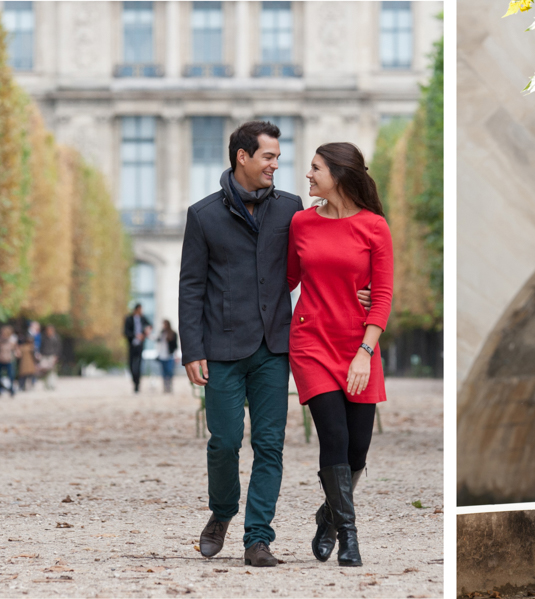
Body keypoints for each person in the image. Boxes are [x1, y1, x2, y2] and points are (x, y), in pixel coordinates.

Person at [179, 121, 372, 568]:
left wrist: (358, 292)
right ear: (242, 157)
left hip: (275, 346)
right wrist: (192, 349)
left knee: (270, 445)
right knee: (224, 442)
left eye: (278, 157)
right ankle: (222, 511)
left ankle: (258, 538)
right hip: (222, 346)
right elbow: (191, 287)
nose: (276, 165)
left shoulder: (292, 209)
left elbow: (323, 259)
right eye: (269, 157)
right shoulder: (203, 215)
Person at [287, 143, 393, 568]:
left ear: (338, 174)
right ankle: (349, 535)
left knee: (358, 451)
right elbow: (284, 280)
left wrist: (366, 350)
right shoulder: (300, 223)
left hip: (357, 345)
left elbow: (382, 295)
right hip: (311, 342)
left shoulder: (374, 227)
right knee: (334, 436)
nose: (308, 176)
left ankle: (328, 515)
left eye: (315, 169)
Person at [124, 304, 151, 393]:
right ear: (136, 309)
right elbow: (126, 332)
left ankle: (137, 384)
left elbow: (150, 325)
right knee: (131, 365)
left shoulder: (143, 318)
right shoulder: (129, 319)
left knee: (139, 364)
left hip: (140, 345)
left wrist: (146, 331)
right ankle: (134, 380)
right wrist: (136, 335)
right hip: (132, 345)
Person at [156, 320, 179, 393]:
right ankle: (165, 387)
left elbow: (175, 346)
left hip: (170, 355)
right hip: (162, 356)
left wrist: (176, 355)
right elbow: (157, 340)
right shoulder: (162, 333)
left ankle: (170, 386)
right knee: (164, 372)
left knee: (170, 371)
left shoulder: (173, 333)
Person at [38, 324, 62, 390]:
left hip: (52, 356)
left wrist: (57, 356)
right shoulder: (43, 337)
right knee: (44, 371)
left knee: (52, 371)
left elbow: (58, 347)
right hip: (44, 355)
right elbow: (41, 346)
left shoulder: (56, 337)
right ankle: (46, 385)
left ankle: (52, 384)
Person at [0, 325, 18, 397]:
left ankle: (11, 390)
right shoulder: (1, 340)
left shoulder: (12, 339)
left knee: (11, 376)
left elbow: (14, 349)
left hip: (9, 360)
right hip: (1, 359)